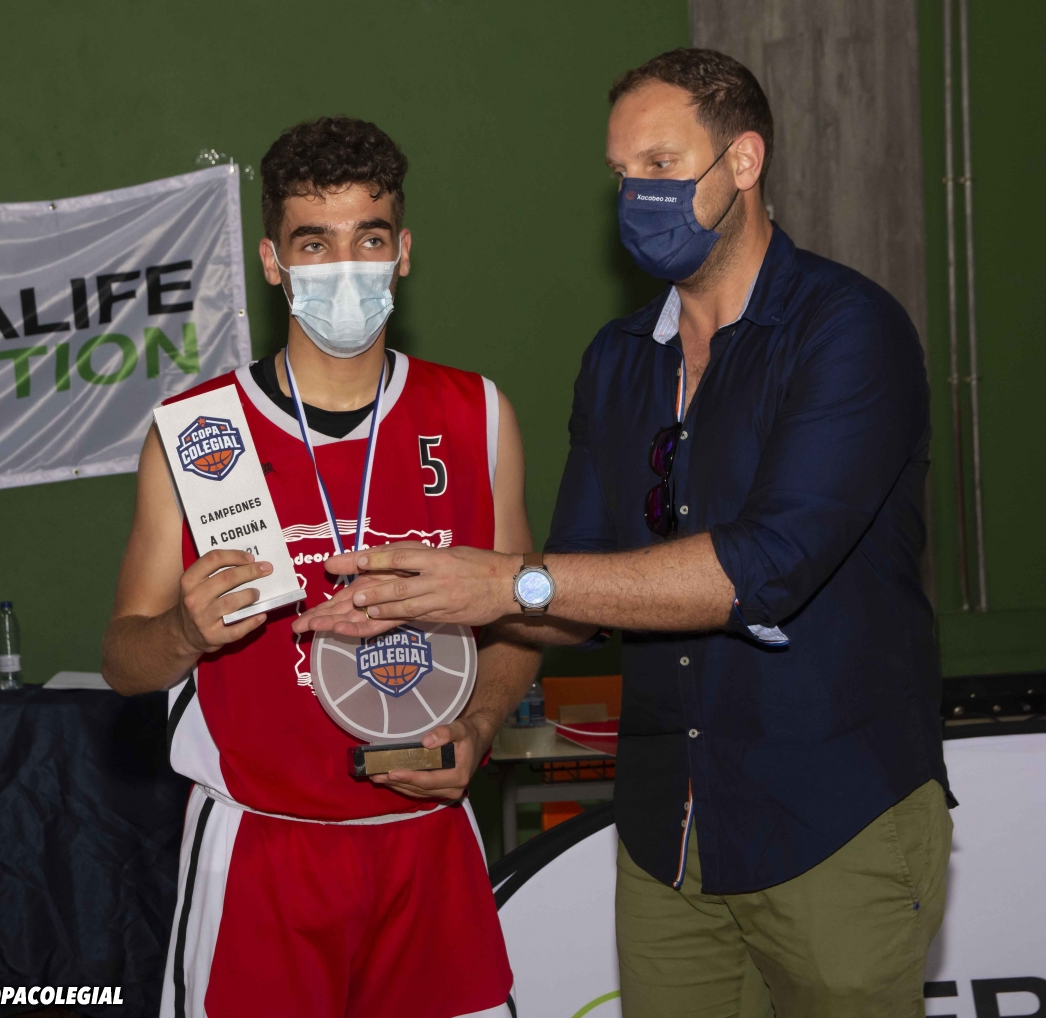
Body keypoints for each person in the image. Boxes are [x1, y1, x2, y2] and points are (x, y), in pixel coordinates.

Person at [300, 50, 953, 1018]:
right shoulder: (617, 360)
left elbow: (763, 569)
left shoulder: (847, 330)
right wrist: (438, 625)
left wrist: (506, 582)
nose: (636, 196)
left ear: (742, 160)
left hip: (834, 822)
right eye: (620, 173)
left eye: (659, 166)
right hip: (666, 837)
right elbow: (574, 594)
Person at [102, 116, 537, 1018]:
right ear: (273, 262)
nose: (346, 267)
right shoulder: (198, 430)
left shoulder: (477, 414)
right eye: (314, 243)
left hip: (428, 841)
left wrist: (482, 722)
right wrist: (183, 631)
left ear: (403, 252)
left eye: (368, 240)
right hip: (265, 851)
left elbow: (520, 619)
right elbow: (123, 661)